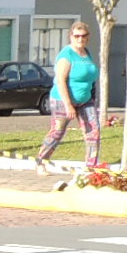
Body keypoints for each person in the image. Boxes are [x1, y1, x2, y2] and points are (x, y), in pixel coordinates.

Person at [36, 20, 103, 169]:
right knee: (57, 131)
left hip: (85, 100)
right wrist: (68, 105)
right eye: (76, 36)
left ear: (88, 37)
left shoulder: (86, 53)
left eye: (83, 36)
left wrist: (92, 98)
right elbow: (60, 80)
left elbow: (90, 79)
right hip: (62, 100)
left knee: (93, 131)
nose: (80, 39)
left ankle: (91, 166)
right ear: (70, 36)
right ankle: (41, 161)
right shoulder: (66, 54)